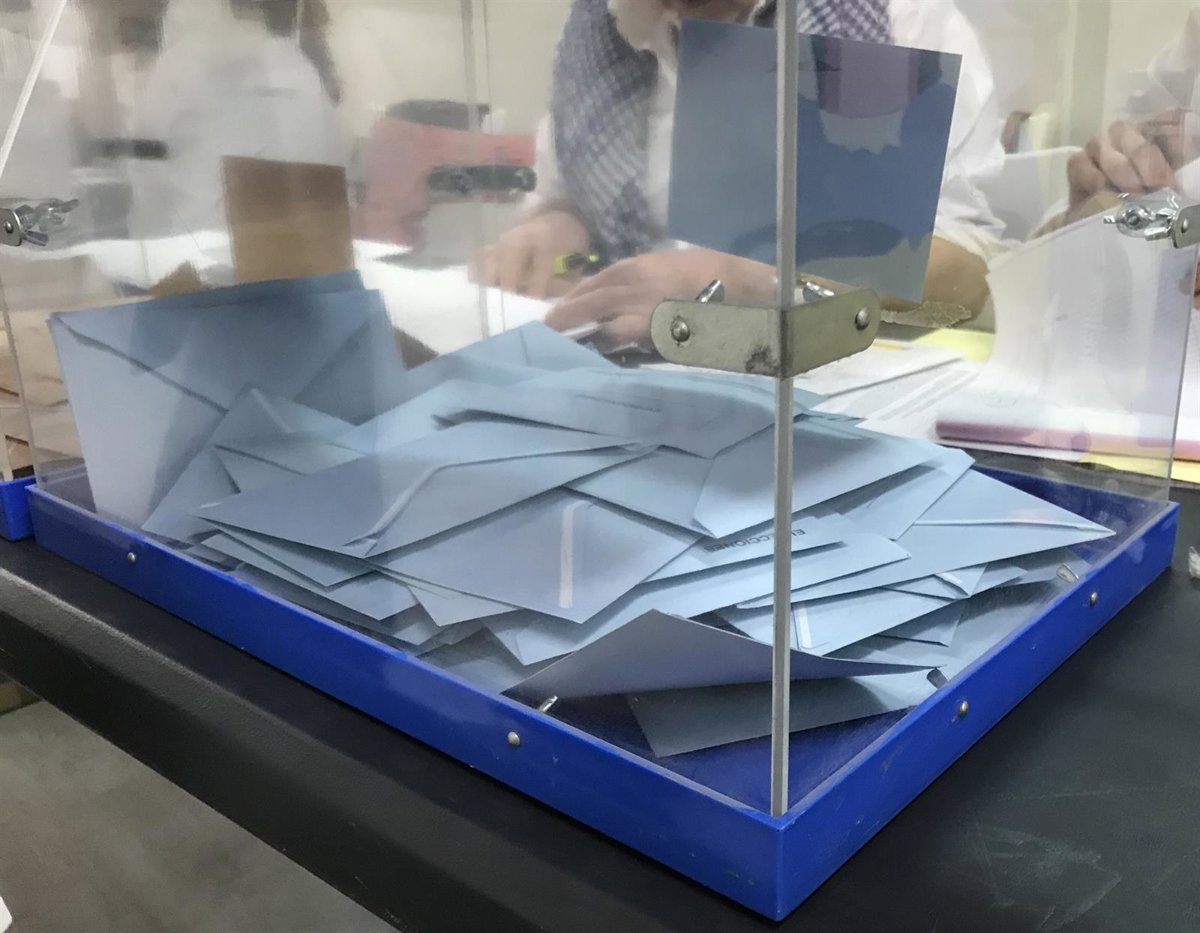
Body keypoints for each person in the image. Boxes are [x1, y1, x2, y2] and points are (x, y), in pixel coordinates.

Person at [479, 0, 1006, 349]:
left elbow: (963, 276)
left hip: (822, 396)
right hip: (617, 376)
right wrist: (556, 226)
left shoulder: (893, 19)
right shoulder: (599, 28)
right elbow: (565, 194)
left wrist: (754, 283)